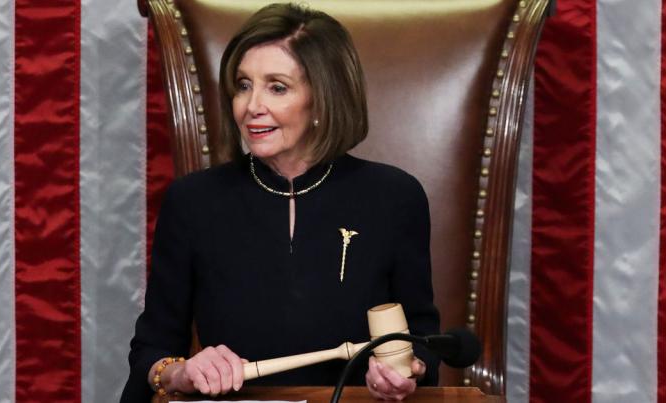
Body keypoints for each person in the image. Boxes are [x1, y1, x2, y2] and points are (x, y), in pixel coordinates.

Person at [120, 3, 440, 402]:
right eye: (242, 85)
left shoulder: (396, 197)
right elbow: (151, 351)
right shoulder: (192, 201)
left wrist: (407, 371)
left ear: (323, 98)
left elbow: (424, 342)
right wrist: (179, 372)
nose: (251, 106)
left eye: (277, 87)